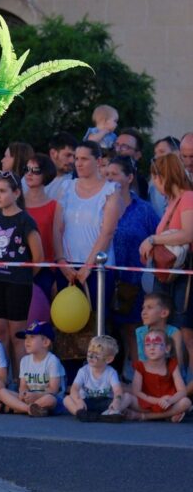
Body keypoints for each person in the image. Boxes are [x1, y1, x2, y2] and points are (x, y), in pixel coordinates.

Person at [0, 172, 43, 378]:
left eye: (3, 191)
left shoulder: (25, 220)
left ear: (16, 193)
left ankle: (20, 380)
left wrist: (22, 275)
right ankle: (2, 380)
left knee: (18, 336)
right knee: (0, 333)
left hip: (18, 284)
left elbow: (38, 257)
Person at [139, 153, 193, 372]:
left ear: (165, 176)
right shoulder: (171, 203)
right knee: (172, 331)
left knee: (186, 332)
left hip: (184, 274)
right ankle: (178, 383)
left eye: (156, 177)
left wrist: (153, 239)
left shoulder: (188, 198)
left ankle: (188, 386)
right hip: (169, 275)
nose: (154, 184)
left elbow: (188, 234)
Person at [104, 156, 159, 373]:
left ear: (129, 177)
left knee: (135, 331)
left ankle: (142, 378)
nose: (110, 179)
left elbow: (158, 237)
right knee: (107, 329)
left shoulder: (144, 210)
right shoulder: (101, 205)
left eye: (115, 174)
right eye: (107, 174)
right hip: (107, 277)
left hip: (136, 281)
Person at [57, 141, 121, 319]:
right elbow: (58, 228)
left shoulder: (110, 190)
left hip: (98, 268)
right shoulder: (66, 187)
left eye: (84, 159)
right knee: (67, 323)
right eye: (76, 158)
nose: (78, 163)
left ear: (98, 161)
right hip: (68, 267)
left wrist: (88, 267)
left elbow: (107, 232)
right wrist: (61, 261)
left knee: (96, 322)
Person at [0, 321, 64, 417]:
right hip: (29, 398)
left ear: (45, 342)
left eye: (32, 337)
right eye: (26, 337)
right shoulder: (24, 360)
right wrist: (23, 393)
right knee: (1, 392)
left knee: (50, 399)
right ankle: (29, 409)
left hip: (47, 399)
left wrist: (36, 396)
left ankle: (15, 408)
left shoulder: (52, 361)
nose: (27, 341)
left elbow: (53, 390)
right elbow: (23, 386)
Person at [125, 328, 192, 422]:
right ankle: (167, 416)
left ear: (167, 348)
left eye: (156, 344)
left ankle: (143, 416)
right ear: (144, 349)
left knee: (186, 402)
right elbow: (136, 392)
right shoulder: (140, 366)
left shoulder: (172, 364)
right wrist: (156, 401)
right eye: (147, 345)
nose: (152, 348)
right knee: (127, 397)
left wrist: (170, 401)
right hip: (146, 403)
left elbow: (182, 391)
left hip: (167, 404)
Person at [23, 154, 64, 300]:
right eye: (27, 169)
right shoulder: (16, 203)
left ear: (45, 174)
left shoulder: (54, 206)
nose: (29, 174)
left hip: (45, 271)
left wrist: (55, 274)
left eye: (35, 170)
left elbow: (56, 241)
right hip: (18, 269)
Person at [63, 335, 126, 422]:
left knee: (128, 397)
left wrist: (116, 401)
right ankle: (80, 413)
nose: (91, 356)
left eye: (96, 354)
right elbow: (74, 389)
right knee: (67, 399)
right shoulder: (83, 371)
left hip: (106, 403)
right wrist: (79, 401)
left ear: (108, 359)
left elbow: (117, 390)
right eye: (89, 352)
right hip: (86, 403)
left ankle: (110, 413)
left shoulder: (111, 372)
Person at [135, 292, 184, 371]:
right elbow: (141, 361)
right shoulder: (140, 332)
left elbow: (178, 363)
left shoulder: (174, 332)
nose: (143, 312)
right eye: (143, 308)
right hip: (148, 374)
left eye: (149, 307)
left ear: (164, 313)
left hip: (171, 374)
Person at [113, 129, 150, 199]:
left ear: (137, 155)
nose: (118, 150)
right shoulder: (101, 174)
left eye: (125, 147)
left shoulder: (141, 183)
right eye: (116, 145)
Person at [46, 132, 78, 202]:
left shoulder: (78, 181)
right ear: (53, 153)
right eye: (68, 155)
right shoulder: (33, 178)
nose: (72, 161)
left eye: (74, 156)